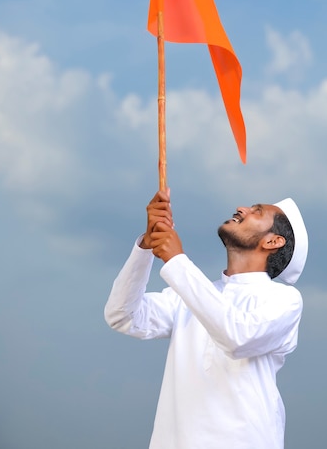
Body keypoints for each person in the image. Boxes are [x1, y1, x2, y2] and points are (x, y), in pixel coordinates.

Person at [104, 189, 308, 449]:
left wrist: (177, 260)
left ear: (272, 242)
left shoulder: (284, 300)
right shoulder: (190, 294)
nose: (241, 208)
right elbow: (122, 315)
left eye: (256, 211)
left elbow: (237, 338)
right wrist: (146, 244)